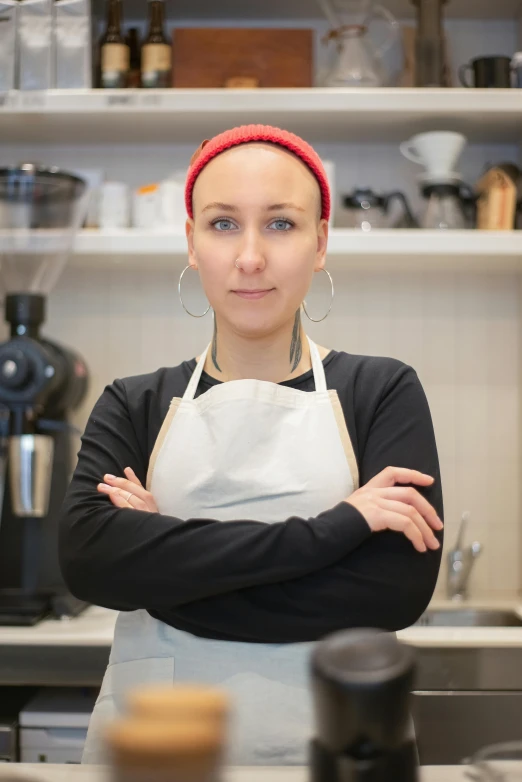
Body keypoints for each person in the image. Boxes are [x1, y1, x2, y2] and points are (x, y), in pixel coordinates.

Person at [59, 124, 444, 766]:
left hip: (334, 755)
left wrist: (166, 569)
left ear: (320, 243)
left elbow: (392, 592)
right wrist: (339, 529)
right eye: (222, 224)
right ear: (190, 243)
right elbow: (91, 565)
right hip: (161, 758)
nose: (250, 258)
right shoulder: (135, 402)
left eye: (281, 225)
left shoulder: (382, 390)